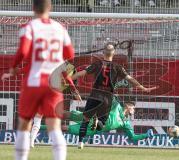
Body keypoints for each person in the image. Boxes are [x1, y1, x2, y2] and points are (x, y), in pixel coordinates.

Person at [1, 0, 74, 160]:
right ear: (51, 8)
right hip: (53, 83)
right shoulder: (60, 28)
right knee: (54, 128)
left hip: (33, 82)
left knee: (24, 125)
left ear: (33, 8)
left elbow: (23, 51)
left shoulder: (29, 27)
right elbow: (70, 54)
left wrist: (13, 68)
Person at [68, 43, 157, 149]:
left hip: (95, 95)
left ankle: (80, 142)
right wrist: (143, 87)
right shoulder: (117, 67)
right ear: (114, 53)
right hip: (107, 98)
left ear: (103, 52)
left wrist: (68, 79)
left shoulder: (97, 64)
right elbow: (130, 79)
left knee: (85, 120)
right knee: (101, 125)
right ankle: (98, 122)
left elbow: (80, 73)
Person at [40, 96, 154, 144]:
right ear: (128, 106)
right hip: (91, 117)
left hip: (91, 129)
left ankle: (38, 127)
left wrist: (146, 135)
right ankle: (42, 112)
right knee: (68, 115)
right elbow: (110, 95)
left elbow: (132, 137)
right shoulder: (117, 106)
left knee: (64, 128)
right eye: (133, 107)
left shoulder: (126, 123)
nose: (134, 110)